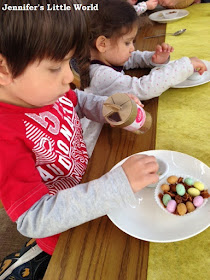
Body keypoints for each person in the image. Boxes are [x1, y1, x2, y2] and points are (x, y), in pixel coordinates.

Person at [0, 0, 160, 279]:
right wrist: (117, 185)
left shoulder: (43, 90)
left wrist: (108, 110)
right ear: (3, 68)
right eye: (55, 67)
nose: (69, 77)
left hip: (92, 180)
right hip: (68, 236)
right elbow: (34, 218)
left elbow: (77, 100)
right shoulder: (5, 138)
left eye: (69, 62)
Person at [79, 0, 207, 157]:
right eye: (127, 42)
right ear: (102, 44)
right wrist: (184, 66)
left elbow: (129, 59)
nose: (132, 48)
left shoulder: (101, 57)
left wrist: (153, 59)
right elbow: (144, 88)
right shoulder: (100, 74)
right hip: (95, 152)